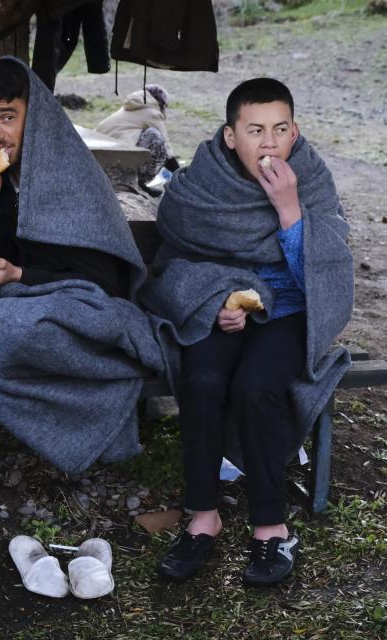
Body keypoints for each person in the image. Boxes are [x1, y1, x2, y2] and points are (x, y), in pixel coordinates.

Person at [0, 58, 174, 483]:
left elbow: (104, 281)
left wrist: (16, 276)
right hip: (15, 304)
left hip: (79, 303)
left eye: (8, 117)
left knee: (23, 334)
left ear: (35, 118)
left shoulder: (71, 176)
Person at [140, 78, 354, 586]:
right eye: (255, 130)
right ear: (231, 135)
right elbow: (179, 254)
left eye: (280, 129)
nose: (269, 142)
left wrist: (288, 209)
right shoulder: (203, 181)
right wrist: (215, 300)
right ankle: (202, 517)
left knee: (256, 388)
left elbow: (326, 274)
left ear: (294, 131)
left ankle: (270, 527)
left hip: (287, 313)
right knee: (203, 380)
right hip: (224, 307)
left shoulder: (310, 176)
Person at [95, 84, 181, 193]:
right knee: (155, 137)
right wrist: (180, 175)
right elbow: (168, 152)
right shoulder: (152, 113)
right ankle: (141, 183)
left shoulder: (129, 108)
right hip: (119, 161)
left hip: (100, 159)